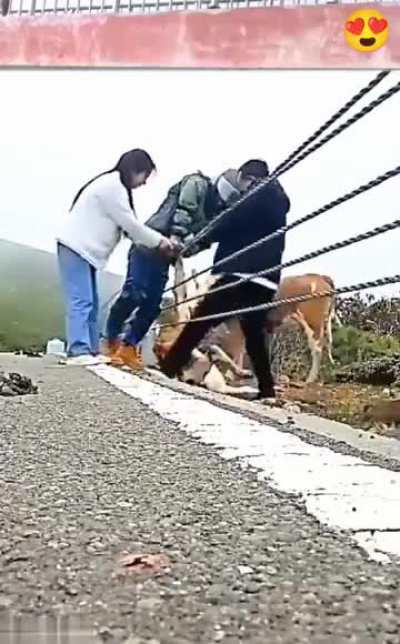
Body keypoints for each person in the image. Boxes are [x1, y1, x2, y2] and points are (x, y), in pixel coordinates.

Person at [158, 159, 291, 400]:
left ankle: (170, 365)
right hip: (267, 279)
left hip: (239, 273)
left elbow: (225, 224)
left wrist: (194, 241)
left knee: (201, 319)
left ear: (244, 177)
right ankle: (267, 388)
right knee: (254, 335)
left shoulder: (253, 196)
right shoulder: (279, 201)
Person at [103, 168, 242, 371]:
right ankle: (111, 337)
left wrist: (188, 246)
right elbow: (184, 208)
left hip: (165, 257)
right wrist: (177, 235)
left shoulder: (217, 215)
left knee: (152, 304)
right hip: (149, 243)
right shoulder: (197, 183)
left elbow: (205, 240)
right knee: (134, 292)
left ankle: (128, 346)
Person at [56, 149, 179, 366]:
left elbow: (130, 228)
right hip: (76, 247)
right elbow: (131, 225)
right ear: (135, 170)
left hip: (84, 251)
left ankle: (90, 351)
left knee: (91, 303)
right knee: (81, 301)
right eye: (144, 176)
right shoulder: (113, 187)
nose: (144, 182)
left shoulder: (114, 186)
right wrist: (161, 242)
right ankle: (78, 350)